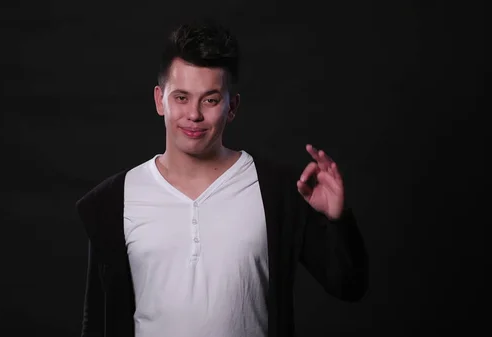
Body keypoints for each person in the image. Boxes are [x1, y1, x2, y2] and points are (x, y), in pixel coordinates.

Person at [75, 19, 369, 337]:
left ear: (232, 107)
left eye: (211, 99)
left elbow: (348, 286)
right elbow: (97, 323)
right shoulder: (113, 200)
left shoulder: (277, 191)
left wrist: (337, 220)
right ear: (160, 100)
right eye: (181, 97)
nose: (195, 114)